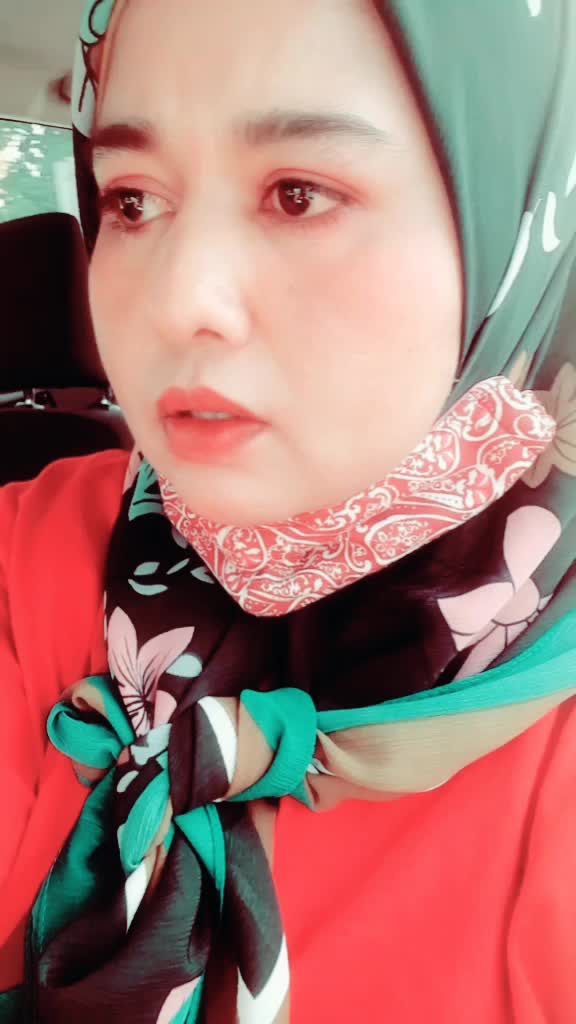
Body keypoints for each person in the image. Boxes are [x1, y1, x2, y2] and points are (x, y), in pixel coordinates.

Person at [1, 0, 575, 1020]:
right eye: (132, 200)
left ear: (518, 223)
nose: (180, 299)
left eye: (297, 194)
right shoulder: (34, 551)